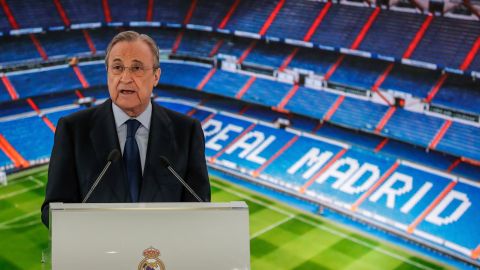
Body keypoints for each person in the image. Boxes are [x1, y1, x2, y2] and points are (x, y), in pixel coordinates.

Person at [41, 31, 211, 227]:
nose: (125, 78)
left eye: (137, 68)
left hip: (161, 255)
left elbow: (200, 207)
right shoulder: (73, 130)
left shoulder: (187, 131)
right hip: (99, 254)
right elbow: (52, 210)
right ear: (107, 73)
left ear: (156, 76)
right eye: (117, 67)